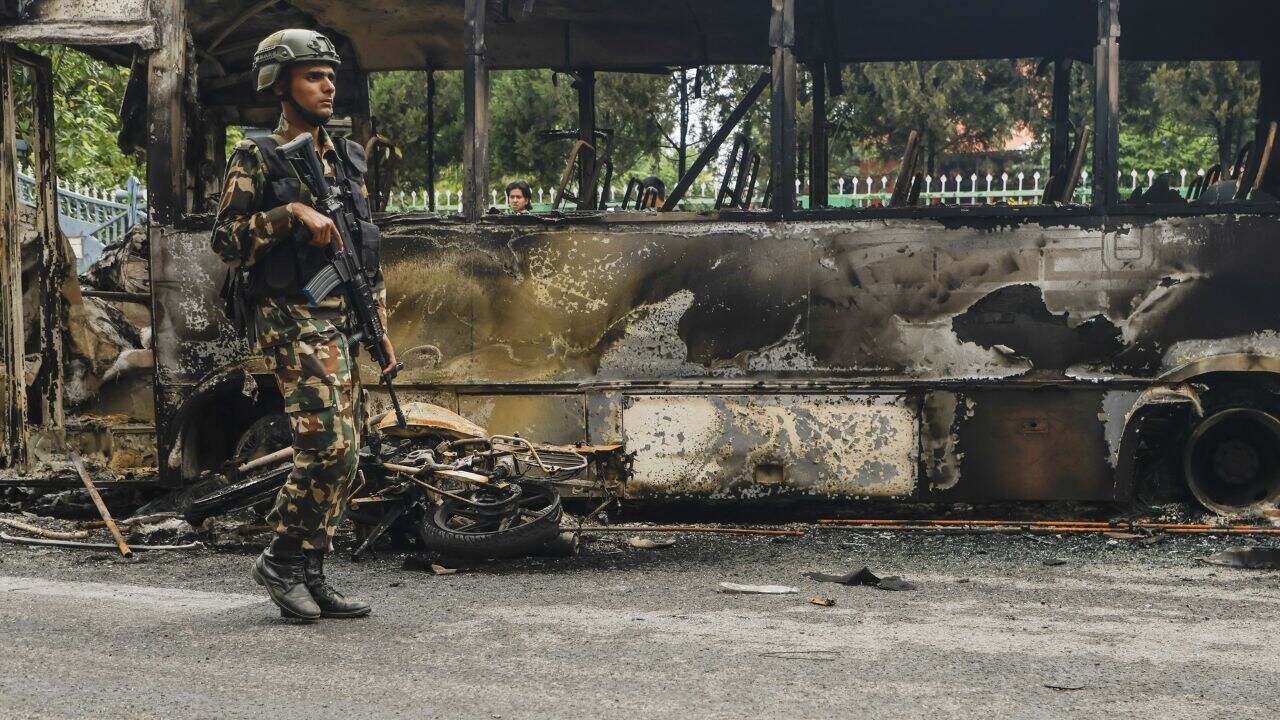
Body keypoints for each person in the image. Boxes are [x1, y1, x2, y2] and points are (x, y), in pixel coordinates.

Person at [211, 29, 395, 621]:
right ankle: (280, 559)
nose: (328, 85)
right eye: (314, 75)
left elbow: (365, 251)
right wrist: (289, 213)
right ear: (281, 82)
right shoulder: (257, 155)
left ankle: (313, 570)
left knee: (352, 448)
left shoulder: (344, 158)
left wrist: (381, 326)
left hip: (342, 316)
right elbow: (226, 242)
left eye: (331, 75)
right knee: (327, 446)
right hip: (292, 318)